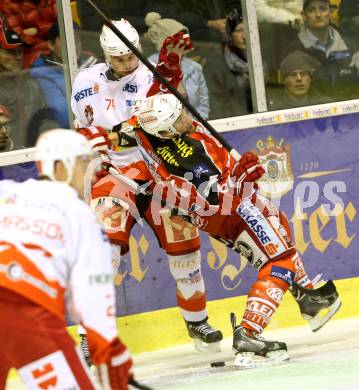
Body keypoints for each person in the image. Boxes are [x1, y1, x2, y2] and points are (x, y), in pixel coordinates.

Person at [120, 93, 341, 368]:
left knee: (277, 223)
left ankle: (308, 296)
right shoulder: (190, 162)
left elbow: (136, 119)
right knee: (279, 262)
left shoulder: (145, 131)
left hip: (215, 216)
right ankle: (249, 333)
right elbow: (221, 201)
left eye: (181, 113)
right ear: (165, 132)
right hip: (232, 211)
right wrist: (241, 178)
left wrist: (168, 70)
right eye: (177, 120)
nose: (186, 119)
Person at [71, 18, 223, 353]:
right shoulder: (85, 81)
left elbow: (174, 120)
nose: (126, 64)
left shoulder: (155, 74)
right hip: (113, 174)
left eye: (130, 57)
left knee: (185, 254)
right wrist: (86, 140)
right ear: (106, 56)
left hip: (159, 172)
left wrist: (171, 74)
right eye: (118, 59)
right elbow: (80, 127)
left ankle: (197, 322)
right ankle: (89, 337)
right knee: (104, 252)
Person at [0, 129, 133, 389]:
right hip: (26, 314)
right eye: (85, 163)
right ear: (60, 167)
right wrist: (109, 353)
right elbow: (93, 298)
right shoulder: (80, 214)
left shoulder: (6, 192)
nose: (93, 172)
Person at [283, 0, 359, 100]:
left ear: (331, 12)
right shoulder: (294, 49)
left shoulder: (352, 45)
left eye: (323, 9)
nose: (318, 15)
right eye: (311, 10)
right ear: (303, 15)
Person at [31, 21, 97, 128]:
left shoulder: (91, 64)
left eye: (77, 40)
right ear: (51, 45)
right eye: (67, 40)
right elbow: (63, 115)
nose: (73, 45)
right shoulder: (42, 72)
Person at [145, 12, 210, 120]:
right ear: (164, 42)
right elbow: (150, 102)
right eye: (177, 39)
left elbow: (203, 106)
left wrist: (194, 126)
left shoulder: (194, 68)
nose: (182, 43)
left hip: (192, 128)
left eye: (184, 37)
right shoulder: (149, 66)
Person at [0, 14, 49, 148]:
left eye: (20, 52)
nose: (18, 57)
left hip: (33, 154)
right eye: (11, 52)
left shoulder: (32, 84)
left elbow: (45, 120)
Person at [223, 7, 252, 113]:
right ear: (230, 35)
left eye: (247, 30)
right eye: (239, 30)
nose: (244, 36)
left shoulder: (260, 56)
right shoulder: (222, 62)